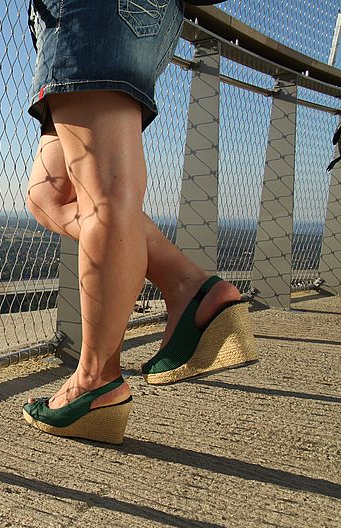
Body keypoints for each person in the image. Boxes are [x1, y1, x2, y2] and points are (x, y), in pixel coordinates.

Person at [21, 0, 258, 444]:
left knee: (105, 195)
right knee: (47, 196)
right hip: (115, 15)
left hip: (91, 10)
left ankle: (94, 380)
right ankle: (190, 289)